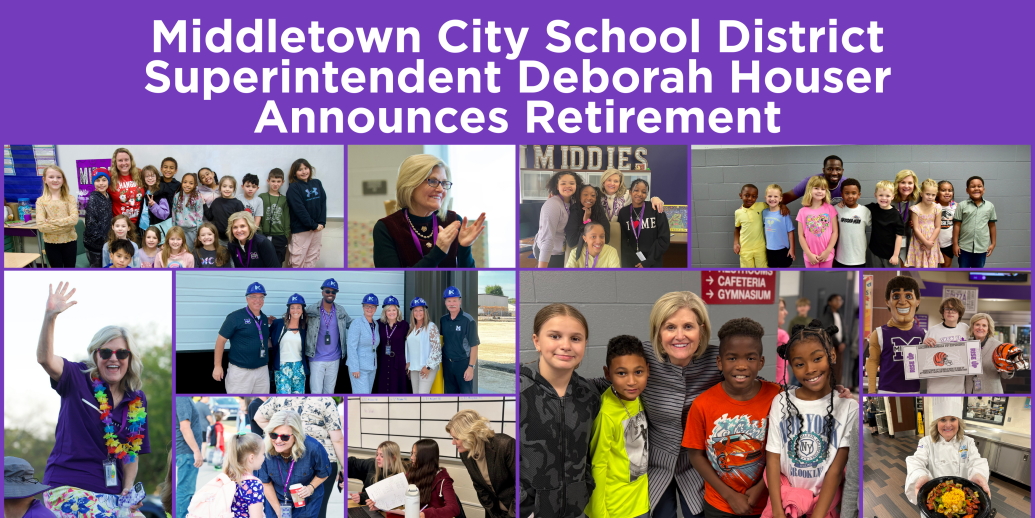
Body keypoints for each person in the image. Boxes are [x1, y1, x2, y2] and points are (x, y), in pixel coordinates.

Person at [35, 282, 150, 518]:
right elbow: (45, 359)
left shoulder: (136, 400)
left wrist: (127, 489)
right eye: (105, 352)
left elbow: (131, 453)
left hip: (110, 493)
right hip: (67, 486)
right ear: (95, 355)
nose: (113, 358)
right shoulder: (76, 377)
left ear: (130, 358)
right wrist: (50, 317)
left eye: (121, 353)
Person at [685, 319, 781, 518]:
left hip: (768, 502)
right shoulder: (702, 404)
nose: (741, 366)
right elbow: (695, 456)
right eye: (732, 358)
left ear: (761, 362)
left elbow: (783, 451)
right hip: (720, 504)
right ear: (720, 362)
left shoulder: (778, 397)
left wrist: (761, 488)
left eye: (750, 358)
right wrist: (729, 496)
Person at [765, 321, 857, 518]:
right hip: (783, 502)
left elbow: (835, 470)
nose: (810, 369)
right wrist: (778, 513)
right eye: (800, 364)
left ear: (831, 355)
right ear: (790, 366)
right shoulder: (781, 402)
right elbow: (772, 460)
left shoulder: (848, 407)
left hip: (822, 506)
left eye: (817, 359)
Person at [519, 303, 601, 518]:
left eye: (575, 338)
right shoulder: (517, 390)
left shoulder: (590, 395)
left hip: (577, 510)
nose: (566, 345)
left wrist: (585, 488)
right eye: (555, 336)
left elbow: (591, 451)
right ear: (537, 341)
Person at [587, 335, 651, 518]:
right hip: (615, 509)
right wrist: (599, 514)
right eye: (621, 373)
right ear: (607, 374)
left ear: (648, 370)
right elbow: (598, 466)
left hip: (641, 503)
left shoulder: (639, 398)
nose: (631, 381)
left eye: (638, 372)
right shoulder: (606, 413)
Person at [255, 398, 344, 518]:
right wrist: (278, 510)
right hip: (276, 499)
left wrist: (310, 488)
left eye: (285, 437)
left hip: (307, 501)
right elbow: (266, 483)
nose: (278, 440)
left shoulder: (314, 447)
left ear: (296, 436)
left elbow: (324, 472)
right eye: (274, 435)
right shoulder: (264, 451)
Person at [904, 398, 991, 509]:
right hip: (936, 499)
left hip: (960, 499)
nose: (948, 425)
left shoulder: (968, 442)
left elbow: (976, 461)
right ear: (936, 423)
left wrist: (978, 474)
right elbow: (916, 461)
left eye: (953, 419)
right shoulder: (925, 442)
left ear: (958, 421)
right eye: (943, 420)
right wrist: (921, 476)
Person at [446, 409, 516, 518]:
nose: (453, 442)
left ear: (471, 435)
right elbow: (479, 487)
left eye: (456, 438)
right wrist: (493, 514)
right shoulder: (465, 453)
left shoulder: (505, 445)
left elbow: (522, 486)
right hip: (494, 512)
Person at [368, 440, 461, 518]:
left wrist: (425, 514)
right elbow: (395, 494)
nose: (411, 457)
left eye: (415, 455)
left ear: (425, 457)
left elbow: (454, 508)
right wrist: (380, 505)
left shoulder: (443, 479)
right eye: (411, 453)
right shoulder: (412, 472)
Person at [866, 276, 923, 394]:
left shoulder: (924, 335)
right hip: (886, 391)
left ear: (917, 301)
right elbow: (872, 361)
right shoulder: (879, 334)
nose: (902, 301)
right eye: (896, 296)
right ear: (887, 301)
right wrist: (871, 391)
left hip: (914, 391)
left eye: (908, 296)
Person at [189, 432, 265, 518]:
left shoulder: (227, 479)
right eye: (263, 454)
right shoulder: (254, 485)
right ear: (251, 458)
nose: (264, 457)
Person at [214, 282, 272, 394]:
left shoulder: (264, 319)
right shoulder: (235, 317)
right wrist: (217, 366)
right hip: (240, 372)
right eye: (254, 297)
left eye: (261, 297)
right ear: (247, 299)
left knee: (261, 401)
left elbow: (264, 340)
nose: (258, 300)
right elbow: (221, 341)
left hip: (262, 371)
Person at [305, 279, 352, 394]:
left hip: (334, 358)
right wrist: (280, 321)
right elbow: (297, 321)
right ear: (322, 292)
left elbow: (352, 324)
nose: (330, 294)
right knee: (316, 392)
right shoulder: (311, 310)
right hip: (316, 358)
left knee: (329, 392)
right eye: (327, 291)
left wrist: (373, 324)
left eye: (333, 292)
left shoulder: (340, 310)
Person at [617, 179, 670, 268]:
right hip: (632, 262)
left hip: (653, 261)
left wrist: (649, 261)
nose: (640, 194)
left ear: (647, 194)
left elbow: (664, 238)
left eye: (644, 192)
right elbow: (623, 241)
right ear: (630, 192)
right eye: (636, 190)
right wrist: (635, 261)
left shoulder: (655, 209)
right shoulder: (623, 213)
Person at [922, 298, 970, 393]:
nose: (950, 312)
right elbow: (924, 359)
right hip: (936, 388)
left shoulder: (966, 329)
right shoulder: (933, 331)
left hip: (958, 388)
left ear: (959, 313)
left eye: (954, 309)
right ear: (943, 312)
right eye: (947, 309)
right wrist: (923, 346)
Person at [286, 158, 328, 268]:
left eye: (306, 168)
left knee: (312, 259)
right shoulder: (293, 187)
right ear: (294, 173)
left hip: (317, 229)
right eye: (300, 170)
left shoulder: (317, 183)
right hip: (301, 230)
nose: (304, 172)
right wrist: (312, 225)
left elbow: (323, 203)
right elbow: (299, 210)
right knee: (298, 261)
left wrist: (321, 223)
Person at [534, 171, 581, 268]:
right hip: (550, 253)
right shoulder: (553, 205)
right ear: (557, 186)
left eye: (572, 183)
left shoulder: (572, 201)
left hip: (563, 250)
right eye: (563, 183)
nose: (568, 186)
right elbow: (547, 239)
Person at [35, 165, 79, 268]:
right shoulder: (41, 201)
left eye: (59, 177)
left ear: (63, 180)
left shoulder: (70, 199)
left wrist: (51, 221)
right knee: (56, 270)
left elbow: (74, 220)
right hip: (51, 244)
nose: (55, 180)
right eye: (51, 177)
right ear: (44, 180)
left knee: (70, 269)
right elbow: (41, 226)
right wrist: (66, 226)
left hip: (70, 241)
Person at [439, 286, 479, 394]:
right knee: (450, 396)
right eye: (449, 301)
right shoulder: (443, 320)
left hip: (463, 364)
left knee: (466, 396)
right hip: (447, 364)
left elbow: (474, 345)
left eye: (454, 300)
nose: (452, 303)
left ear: (460, 301)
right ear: (445, 302)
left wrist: (471, 367)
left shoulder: (468, 320)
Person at [965, 313, 1018, 393]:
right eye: (977, 324)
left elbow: (1005, 375)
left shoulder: (999, 347)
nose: (980, 328)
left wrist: (1010, 366)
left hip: (991, 393)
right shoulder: (965, 344)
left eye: (984, 325)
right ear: (972, 327)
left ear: (988, 329)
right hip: (969, 393)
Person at [953, 176, 997, 268]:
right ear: (967, 190)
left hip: (982, 247)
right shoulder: (961, 205)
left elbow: (992, 225)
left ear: (983, 189)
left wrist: (993, 243)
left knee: (977, 273)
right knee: (962, 273)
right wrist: (955, 244)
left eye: (979, 186)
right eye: (973, 186)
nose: (976, 188)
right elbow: (957, 225)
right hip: (964, 247)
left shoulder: (990, 206)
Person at [348, 441, 408, 508]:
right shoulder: (372, 464)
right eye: (377, 455)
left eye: (382, 456)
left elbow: (381, 498)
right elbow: (352, 463)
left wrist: (362, 498)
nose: (377, 458)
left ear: (393, 458)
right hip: (368, 508)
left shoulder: (399, 477)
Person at [796, 176, 838, 268]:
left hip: (827, 255)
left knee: (825, 279)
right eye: (816, 188)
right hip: (810, 257)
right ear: (809, 190)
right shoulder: (802, 212)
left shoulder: (830, 209)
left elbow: (835, 232)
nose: (820, 191)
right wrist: (809, 254)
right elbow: (801, 235)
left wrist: (827, 251)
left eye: (823, 189)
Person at [271, 294, 309, 394]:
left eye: (298, 307)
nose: (295, 310)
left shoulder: (305, 326)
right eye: (292, 307)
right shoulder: (279, 324)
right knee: (283, 397)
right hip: (282, 366)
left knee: (298, 398)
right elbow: (266, 335)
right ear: (288, 309)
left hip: (299, 367)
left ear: (302, 310)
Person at [175, 396, 205, 518]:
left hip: (186, 452)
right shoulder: (182, 398)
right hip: (187, 452)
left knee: (186, 492)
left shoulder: (185, 398)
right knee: (185, 492)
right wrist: (197, 451)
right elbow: (185, 427)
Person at [864, 180, 904, 267]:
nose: (884, 198)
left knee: (891, 276)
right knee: (876, 276)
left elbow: (899, 236)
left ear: (892, 197)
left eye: (888, 196)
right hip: (875, 252)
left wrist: (896, 255)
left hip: (891, 254)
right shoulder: (873, 208)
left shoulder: (896, 214)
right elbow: (857, 208)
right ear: (875, 195)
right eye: (881, 195)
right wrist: (844, 203)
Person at [406, 297, 442, 394]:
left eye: (421, 310)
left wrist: (428, 367)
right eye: (415, 310)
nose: (418, 313)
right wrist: (408, 362)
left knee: (423, 395)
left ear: (425, 311)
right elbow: (409, 348)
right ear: (412, 312)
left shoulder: (431, 327)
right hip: (414, 368)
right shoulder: (411, 328)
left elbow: (436, 350)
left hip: (426, 367)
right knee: (415, 396)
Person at [347, 294, 381, 395]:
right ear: (363, 307)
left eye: (372, 306)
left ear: (376, 308)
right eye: (367, 306)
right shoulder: (357, 323)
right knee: (361, 396)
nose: (369, 309)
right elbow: (351, 347)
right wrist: (354, 368)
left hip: (372, 366)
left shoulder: (376, 324)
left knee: (368, 395)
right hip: (359, 368)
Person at [833, 178, 870, 268]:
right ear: (842, 195)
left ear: (859, 195)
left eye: (854, 193)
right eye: (847, 193)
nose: (850, 196)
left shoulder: (865, 211)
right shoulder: (836, 209)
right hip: (841, 257)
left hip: (859, 258)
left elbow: (879, 223)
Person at [375, 295, 409, 393]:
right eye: (388, 310)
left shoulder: (404, 325)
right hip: (383, 361)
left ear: (398, 311)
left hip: (399, 362)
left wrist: (409, 362)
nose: (391, 312)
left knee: (398, 386)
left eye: (394, 310)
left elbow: (410, 345)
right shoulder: (378, 324)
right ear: (385, 312)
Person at [780, 155, 846, 205]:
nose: (834, 173)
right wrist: (781, 205)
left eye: (838, 169)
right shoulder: (811, 181)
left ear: (842, 171)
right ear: (824, 170)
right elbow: (787, 197)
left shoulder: (846, 184)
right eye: (830, 169)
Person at [906, 178, 942, 268]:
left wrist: (929, 243)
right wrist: (925, 242)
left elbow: (938, 227)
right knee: (919, 266)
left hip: (932, 240)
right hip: (919, 241)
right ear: (921, 194)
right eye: (927, 194)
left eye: (933, 195)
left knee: (932, 266)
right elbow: (916, 228)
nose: (930, 197)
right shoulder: (915, 209)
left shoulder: (937, 208)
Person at [565, 184, 611, 251]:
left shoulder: (599, 209)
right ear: (580, 196)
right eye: (585, 194)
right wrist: (586, 222)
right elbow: (572, 242)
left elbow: (606, 238)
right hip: (580, 251)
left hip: (597, 250)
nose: (589, 198)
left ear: (596, 198)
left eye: (593, 195)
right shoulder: (575, 210)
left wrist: (587, 223)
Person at [259, 168, 290, 265]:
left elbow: (286, 218)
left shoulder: (284, 199)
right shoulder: (262, 197)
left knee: (278, 262)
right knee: (264, 260)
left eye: (278, 181)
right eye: (273, 181)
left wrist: (286, 234)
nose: (275, 184)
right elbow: (258, 215)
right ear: (268, 181)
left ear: (282, 182)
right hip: (264, 235)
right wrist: (260, 232)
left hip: (280, 236)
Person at [84, 168, 114, 268]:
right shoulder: (93, 198)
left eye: (104, 180)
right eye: (97, 180)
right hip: (95, 246)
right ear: (93, 182)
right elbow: (91, 224)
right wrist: (102, 241)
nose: (101, 183)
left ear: (108, 181)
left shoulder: (108, 196)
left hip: (106, 243)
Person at [733, 183, 767, 268]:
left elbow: (775, 205)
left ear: (757, 197)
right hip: (745, 249)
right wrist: (735, 243)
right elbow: (737, 228)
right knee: (747, 271)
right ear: (741, 195)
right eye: (747, 195)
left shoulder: (761, 206)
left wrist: (783, 206)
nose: (750, 199)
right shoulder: (738, 212)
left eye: (753, 196)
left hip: (760, 248)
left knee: (764, 270)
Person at [206, 176, 246, 245]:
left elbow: (242, 222)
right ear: (220, 188)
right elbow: (210, 217)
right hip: (218, 238)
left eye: (230, 187)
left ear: (234, 189)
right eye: (224, 186)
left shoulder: (238, 203)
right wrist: (204, 204)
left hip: (233, 239)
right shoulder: (216, 202)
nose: (227, 189)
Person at [762, 184, 795, 268]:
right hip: (769, 249)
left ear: (780, 199)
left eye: (776, 196)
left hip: (783, 250)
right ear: (765, 198)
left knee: (785, 272)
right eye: (770, 196)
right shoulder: (764, 213)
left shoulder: (784, 213)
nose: (772, 199)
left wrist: (792, 249)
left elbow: (790, 232)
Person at [109, 148, 144, 225]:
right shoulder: (110, 177)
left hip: (140, 223)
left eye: (126, 160)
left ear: (131, 161)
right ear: (115, 162)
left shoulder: (140, 174)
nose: (124, 163)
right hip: (120, 226)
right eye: (120, 160)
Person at [893, 169, 921, 266]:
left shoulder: (917, 197)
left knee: (907, 266)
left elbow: (934, 200)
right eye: (903, 182)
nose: (906, 186)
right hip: (892, 239)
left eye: (910, 183)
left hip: (909, 237)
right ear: (897, 184)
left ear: (914, 185)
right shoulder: (890, 198)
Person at [818, 294, 846, 388]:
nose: (839, 302)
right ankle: (828, 389)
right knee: (831, 368)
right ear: (830, 302)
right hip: (831, 346)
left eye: (840, 300)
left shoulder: (839, 315)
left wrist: (844, 342)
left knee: (838, 369)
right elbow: (829, 331)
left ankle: (836, 388)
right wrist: (838, 344)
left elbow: (843, 330)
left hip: (840, 347)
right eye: (836, 300)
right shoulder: (827, 316)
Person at [172, 172, 204, 249]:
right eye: (185, 182)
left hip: (192, 231)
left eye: (191, 183)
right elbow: (173, 212)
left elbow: (200, 216)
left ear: (195, 185)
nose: (187, 185)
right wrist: (173, 229)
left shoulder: (197, 198)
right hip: (179, 230)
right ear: (182, 182)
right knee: (179, 250)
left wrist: (198, 234)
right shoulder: (177, 196)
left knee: (191, 251)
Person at [140, 165, 173, 230]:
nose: (150, 178)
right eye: (147, 176)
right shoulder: (142, 191)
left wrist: (154, 205)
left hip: (157, 228)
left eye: (153, 176)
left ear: (157, 177)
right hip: (143, 228)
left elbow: (164, 214)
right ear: (143, 178)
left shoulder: (161, 193)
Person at [936, 181, 957, 268]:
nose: (947, 193)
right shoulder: (932, 205)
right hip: (933, 243)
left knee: (946, 265)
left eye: (950, 190)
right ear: (937, 192)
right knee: (931, 267)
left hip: (948, 243)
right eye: (943, 190)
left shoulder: (955, 206)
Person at [776, 299, 796, 386]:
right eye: (781, 309)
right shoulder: (782, 335)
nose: (786, 312)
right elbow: (781, 365)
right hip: (779, 384)